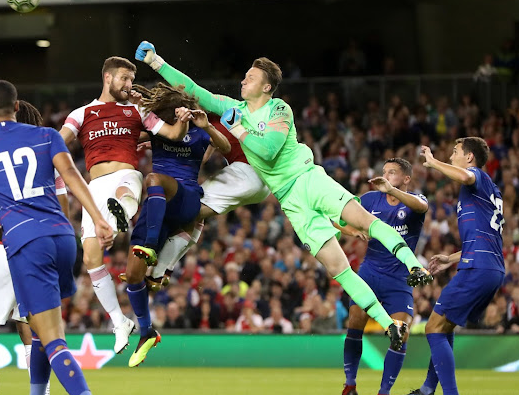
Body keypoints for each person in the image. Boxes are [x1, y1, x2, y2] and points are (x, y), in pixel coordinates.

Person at [135, 41, 433, 351]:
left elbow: (269, 149)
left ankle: (414, 266)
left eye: (249, 77)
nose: (242, 80)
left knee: (365, 221)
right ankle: (390, 325)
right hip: (289, 201)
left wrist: (238, 130)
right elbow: (196, 91)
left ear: (266, 86)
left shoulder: (278, 109)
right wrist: (157, 63)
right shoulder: (234, 109)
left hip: (308, 179)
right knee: (339, 270)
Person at [0, 80, 112, 395]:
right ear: (16, 105)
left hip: (27, 243)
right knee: (39, 332)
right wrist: (99, 218)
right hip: (63, 238)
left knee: (53, 337)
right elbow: (71, 176)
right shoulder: (47, 135)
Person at [59, 56, 188, 354]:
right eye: (124, 78)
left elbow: (171, 134)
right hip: (94, 186)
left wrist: (181, 120)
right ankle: (120, 322)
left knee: (125, 190)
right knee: (91, 259)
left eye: (132, 79)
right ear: (107, 78)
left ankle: (119, 220)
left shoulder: (137, 110)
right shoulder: (82, 113)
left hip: (126, 174)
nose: (129, 84)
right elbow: (59, 141)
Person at [0, 100, 68, 395]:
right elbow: (63, 206)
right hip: (38, 247)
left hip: (2, 244)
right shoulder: (45, 152)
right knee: (32, 331)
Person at [125, 83, 230, 367]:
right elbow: (130, 132)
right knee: (133, 275)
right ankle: (147, 331)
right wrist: (136, 106)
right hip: (157, 206)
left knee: (153, 179)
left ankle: (151, 248)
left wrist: (206, 126)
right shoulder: (157, 128)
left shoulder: (198, 129)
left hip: (184, 198)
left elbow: (226, 146)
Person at [396, 138, 505, 395]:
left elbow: (466, 176)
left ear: (469, 158)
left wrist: (433, 162)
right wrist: (451, 258)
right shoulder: (487, 191)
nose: (451, 155)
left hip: (478, 269)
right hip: (487, 265)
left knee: (434, 327)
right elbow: (487, 240)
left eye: (456, 152)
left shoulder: (476, 177)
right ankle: (427, 392)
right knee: (445, 326)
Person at [336, 158, 428, 395]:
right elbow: (337, 217)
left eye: (393, 173)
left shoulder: (416, 200)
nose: (386, 175)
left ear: (406, 179)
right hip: (370, 272)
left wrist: (392, 190)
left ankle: (383, 394)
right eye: (384, 171)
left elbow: (420, 207)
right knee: (355, 321)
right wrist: (352, 231)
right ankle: (350, 385)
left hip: (399, 279)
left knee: (401, 332)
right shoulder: (368, 200)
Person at [145, 111, 270, 290]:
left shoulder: (210, 119)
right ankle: (168, 268)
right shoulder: (222, 117)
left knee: (189, 210)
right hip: (261, 181)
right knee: (196, 213)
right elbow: (202, 155)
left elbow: (211, 153)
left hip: (246, 171)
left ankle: (157, 271)